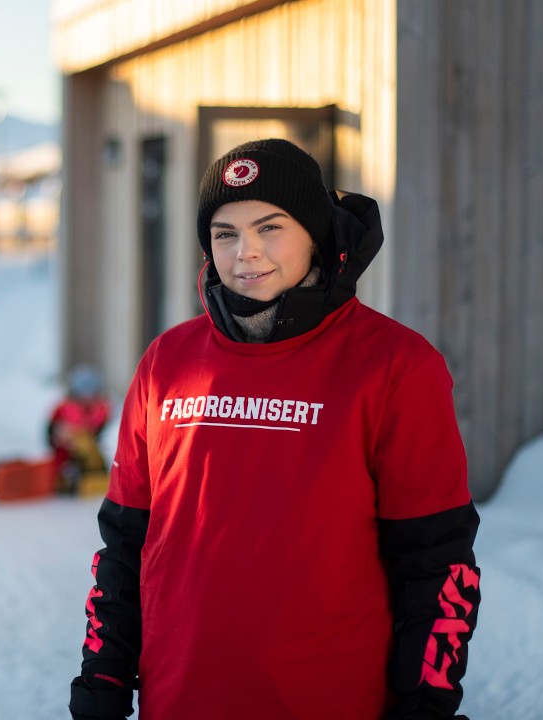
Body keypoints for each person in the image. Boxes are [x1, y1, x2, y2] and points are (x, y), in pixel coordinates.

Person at [68, 139, 480, 720]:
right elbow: (124, 549)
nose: (246, 254)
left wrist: (425, 708)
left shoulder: (396, 367)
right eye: (225, 233)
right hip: (180, 700)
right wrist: (101, 687)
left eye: (270, 227)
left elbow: (437, 566)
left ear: (315, 232)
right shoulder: (168, 361)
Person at [47, 365, 112, 494]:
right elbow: (52, 433)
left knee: (93, 456)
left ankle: (95, 475)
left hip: (89, 450)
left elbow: (98, 431)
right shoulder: (64, 409)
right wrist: (61, 435)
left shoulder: (101, 409)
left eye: (91, 394)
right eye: (83, 394)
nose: (87, 398)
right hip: (66, 453)